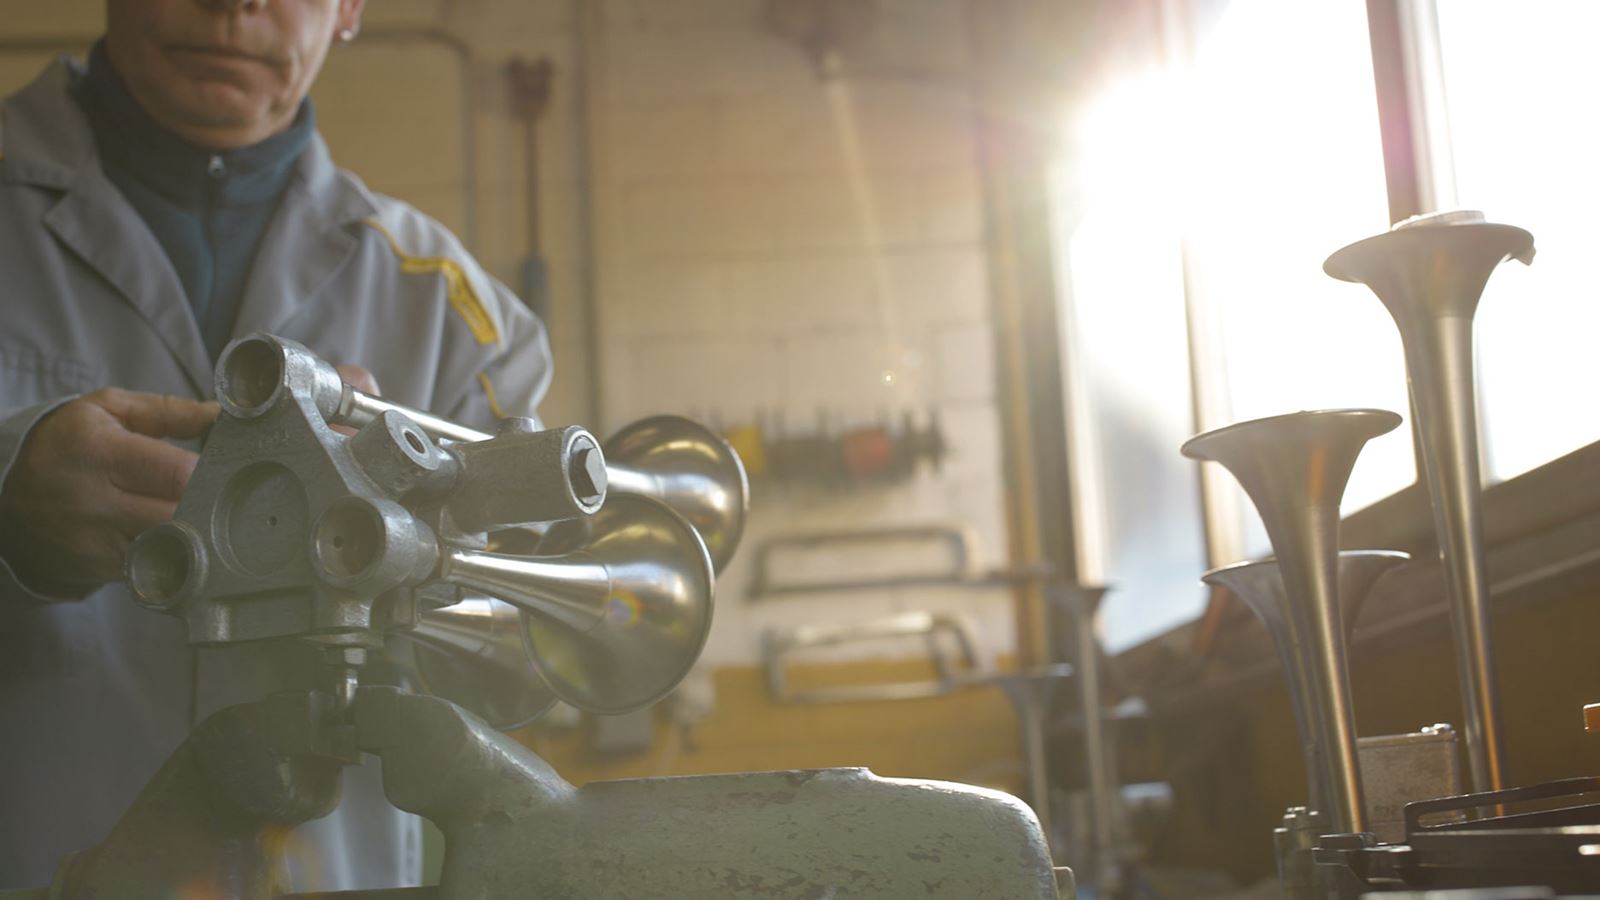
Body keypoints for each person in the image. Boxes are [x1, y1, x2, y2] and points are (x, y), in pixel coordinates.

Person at [0, 0, 553, 890]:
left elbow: (527, 674)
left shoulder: (461, 326)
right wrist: (7, 522)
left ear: (349, 9)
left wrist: (437, 570)